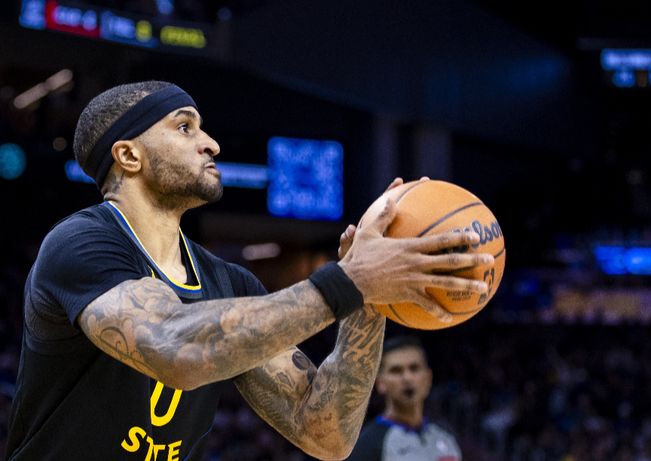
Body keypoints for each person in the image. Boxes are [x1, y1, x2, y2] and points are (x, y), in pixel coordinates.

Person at [5, 81, 491, 461]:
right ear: (129, 155)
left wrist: (370, 301)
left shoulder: (229, 283)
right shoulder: (82, 243)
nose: (212, 144)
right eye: (184, 127)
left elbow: (326, 433)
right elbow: (175, 348)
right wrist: (351, 280)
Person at [347, 335, 462, 461]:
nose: (407, 378)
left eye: (414, 368)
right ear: (380, 382)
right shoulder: (366, 445)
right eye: (396, 371)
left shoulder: (446, 437)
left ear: (428, 378)